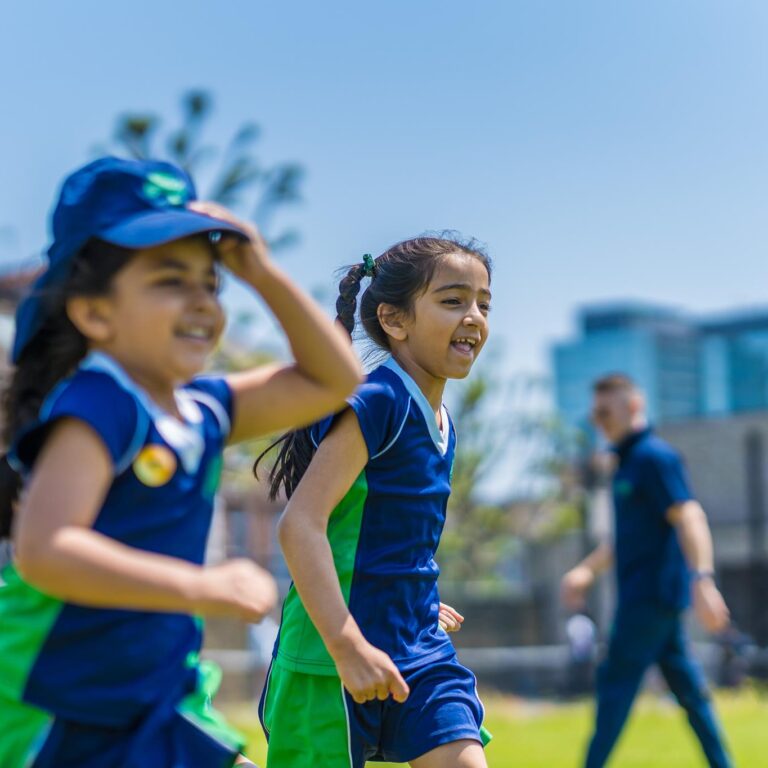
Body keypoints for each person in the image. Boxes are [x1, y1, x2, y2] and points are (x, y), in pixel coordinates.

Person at [0, 156, 362, 768]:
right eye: (170, 279)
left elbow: (333, 379)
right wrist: (203, 588)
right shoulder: (100, 406)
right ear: (94, 312)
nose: (201, 302)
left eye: (211, 282)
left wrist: (260, 270)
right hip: (60, 703)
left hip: (153, 696)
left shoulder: (204, 410)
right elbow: (46, 550)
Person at [254, 240, 493, 767]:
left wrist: (411, 594)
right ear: (394, 319)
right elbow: (302, 525)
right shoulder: (378, 399)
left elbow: (385, 532)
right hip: (327, 658)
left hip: (418, 648)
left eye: (483, 303)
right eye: (453, 301)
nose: (473, 316)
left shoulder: (443, 422)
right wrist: (345, 645)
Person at [561, 373, 733, 768]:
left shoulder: (654, 458)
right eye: (595, 412)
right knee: (691, 695)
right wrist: (586, 570)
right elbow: (626, 539)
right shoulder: (625, 463)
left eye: (606, 410)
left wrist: (703, 580)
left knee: (614, 688)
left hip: (648, 598)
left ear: (634, 406)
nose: (599, 419)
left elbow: (688, 514)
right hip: (655, 601)